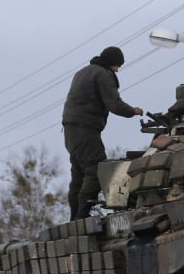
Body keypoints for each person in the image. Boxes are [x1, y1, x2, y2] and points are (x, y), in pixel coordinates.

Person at [61, 46, 142, 220]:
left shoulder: (83, 72)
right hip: (86, 128)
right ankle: (82, 215)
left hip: (70, 129)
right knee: (97, 170)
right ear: (112, 62)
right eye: (118, 66)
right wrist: (133, 111)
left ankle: (74, 217)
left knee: (79, 173)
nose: (118, 70)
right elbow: (114, 104)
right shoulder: (103, 74)